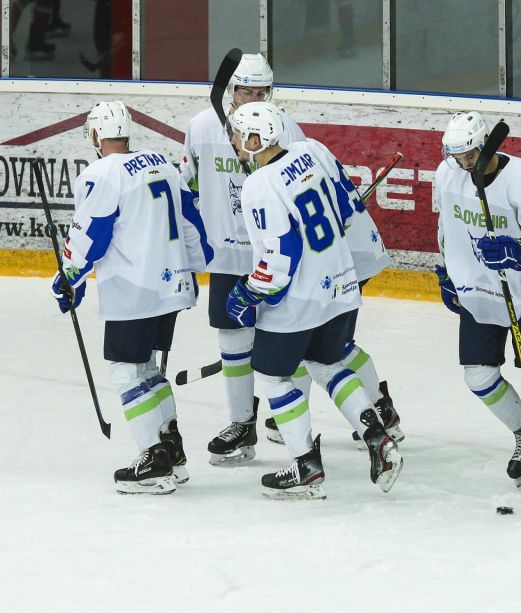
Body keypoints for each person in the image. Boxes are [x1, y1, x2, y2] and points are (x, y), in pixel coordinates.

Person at [227, 101, 402, 499]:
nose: (235, 141)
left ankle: (305, 467)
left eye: (239, 134)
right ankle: (377, 437)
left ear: (256, 139)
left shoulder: (258, 185)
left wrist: (249, 292)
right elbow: (344, 207)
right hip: (340, 286)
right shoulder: (311, 152)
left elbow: (280, 255)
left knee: (274, 376)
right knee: (328, 364)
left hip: (299, 300)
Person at [52, 100, 211, 494]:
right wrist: (193, 268)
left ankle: (154, 459)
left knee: (126, 372)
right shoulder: (161, 163)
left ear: (95, 135)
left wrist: (68, 276)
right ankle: (172, 452)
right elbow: (192, 221)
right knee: (148, 370)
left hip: (135, 290)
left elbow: (92, 233)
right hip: (172, 285)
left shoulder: (101, 173)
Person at [432, 111, 521, 490]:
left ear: (486, 146)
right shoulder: (446, 174)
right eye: (457, 157)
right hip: (477, 289)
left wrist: (518, 250)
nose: (464, 165)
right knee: (478, 376)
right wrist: (448, 273)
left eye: (470, 157)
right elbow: (446, 227)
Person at [180, 52, 308, 466]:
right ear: (230, 90)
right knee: (234, 342)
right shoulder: (202, 128)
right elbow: (190, 186)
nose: (254, 98)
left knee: (290, 342)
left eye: (261, 91)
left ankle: (298, 426)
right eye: (246, 90)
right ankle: (241, 424)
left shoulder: (285, 127)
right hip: (228, 256)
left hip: (276, 255)